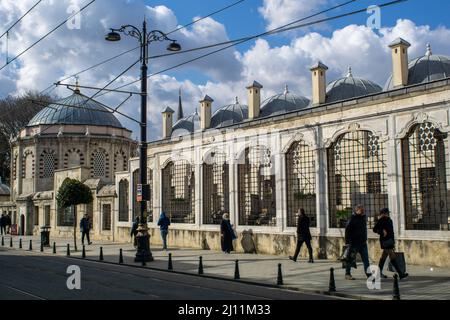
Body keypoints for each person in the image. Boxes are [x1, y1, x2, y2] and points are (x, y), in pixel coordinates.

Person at [373, 208, 409, 279]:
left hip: (390, 241)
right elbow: (375, 229)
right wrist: (382, 231)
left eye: (387, 213)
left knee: (383, 257)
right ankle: (400, 273)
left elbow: (391, 231)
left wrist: (393, 241)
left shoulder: (389, 220)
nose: (387, 214)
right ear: (383, 213)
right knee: (392, 257)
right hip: (385, 241)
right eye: (386, 213)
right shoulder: (381, 220)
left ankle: (378, 273)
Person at [344, 204, 371, 280]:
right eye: (361, 210)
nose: (363, 212)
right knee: (350, 258)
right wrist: (347, 242)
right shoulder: (352, 219)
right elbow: (347, 230)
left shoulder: (363, 218)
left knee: (366, 260)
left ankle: (368, 274)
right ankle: (347, 273)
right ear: (357, 210)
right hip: (354, 243)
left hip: (362, 243)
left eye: (363, 210)